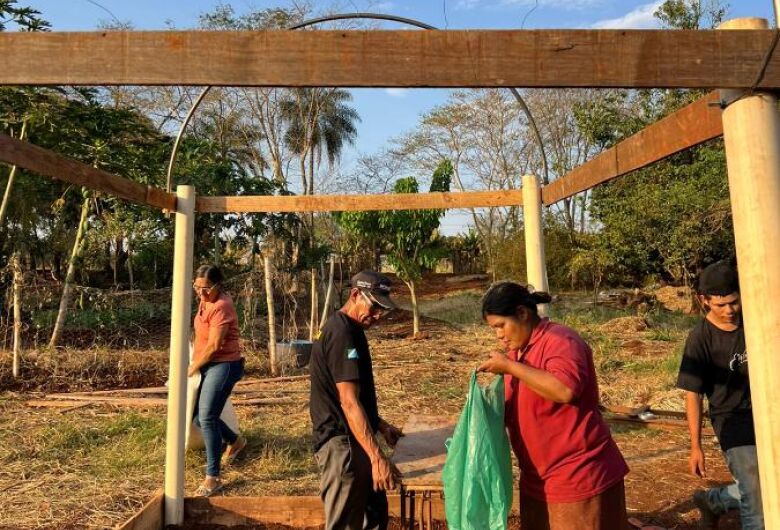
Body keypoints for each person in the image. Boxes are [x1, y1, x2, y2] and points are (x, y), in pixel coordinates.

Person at [477, 281, 629, 530]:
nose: (499, 335)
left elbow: (565, 389)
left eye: (501, 326)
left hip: (577, 474)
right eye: (494, 329)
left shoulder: (561, 341)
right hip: (538, 477)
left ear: (523, 314)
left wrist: (510, 367)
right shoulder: (518, 352)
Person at [309, 270, 404, 530]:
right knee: (345, 524)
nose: (377, 316)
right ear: (354, 295)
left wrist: (380, 424)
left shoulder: (352, 329)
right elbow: (348, 402)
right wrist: (377, 458)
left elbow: (349, 395)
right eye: (374, 307)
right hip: (343, 447)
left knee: (374, 518)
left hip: (356, 440)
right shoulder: (342, 334)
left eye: (382, 310)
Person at [676, 261, 763, 530]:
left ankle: (714, 501)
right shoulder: (700, 339)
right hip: (730, 419)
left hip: (763, 411)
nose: (729, 310)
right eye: (720, 305)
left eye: (734, 303)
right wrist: (695, 446)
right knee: (756, 497)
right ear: (704, 301)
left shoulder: (755, 322)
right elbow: (693, 395)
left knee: (766, 483)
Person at [189, 265, 246, 497]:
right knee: (198, 418)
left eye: (206, 289)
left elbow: (214, 346)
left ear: (218, 285)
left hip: (224, 365)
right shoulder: (205, 301)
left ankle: (213, 478)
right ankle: (235, 441)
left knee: (208, 417)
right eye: (197, 288)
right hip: (207, 363)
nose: (201, 293)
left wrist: (192, 366)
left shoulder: (222, 306)